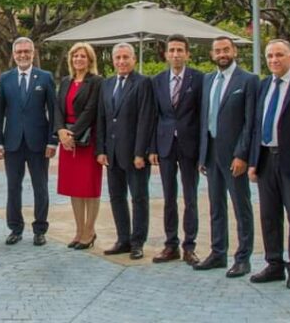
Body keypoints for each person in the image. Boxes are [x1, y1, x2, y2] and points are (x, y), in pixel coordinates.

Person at [248, 39, 290, 289]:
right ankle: (274, 264)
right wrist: (253, 160)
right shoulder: (264, 85)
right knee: (269, 216)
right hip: (265, 159)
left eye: (279, 55)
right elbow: (256, 125)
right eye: (270, 56)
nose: (274, 60)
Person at [195, 36, 258, 277]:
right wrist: (203, 155)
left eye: (226, 50)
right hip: (211, 153)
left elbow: (250, 122)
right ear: (212, 54)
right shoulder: (208, 80)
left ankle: (243, 258)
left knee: (241, 206)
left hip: (234, 156)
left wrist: (242, 154)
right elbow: (205, 119)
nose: (222, 54)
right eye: (218, 51)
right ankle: (218, 252)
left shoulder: (248, 80)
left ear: (234, 52)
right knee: (216, 206)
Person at [96, 43, 156, 260]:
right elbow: (102, 118)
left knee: (139, 198)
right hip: (112, 154)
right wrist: (101, 149)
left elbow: (146, 119)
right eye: (118, 58)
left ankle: (138, 242)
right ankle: (123, 239)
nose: (121, 61)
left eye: (125, 57)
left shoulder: (143, 83)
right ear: (113, 60)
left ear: (133, 59)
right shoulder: (107, 84)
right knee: (116, 197)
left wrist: (141, 152)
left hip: (134, 154)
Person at [0, 37, 57, 247]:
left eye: (26, 51)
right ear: (14, 55)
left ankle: (40, 229)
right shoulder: (5, 79)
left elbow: (54, 111)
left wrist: (52, 141)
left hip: (38, 143)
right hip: (12, 143)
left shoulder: (45, 77)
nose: (23, 55)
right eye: (19, 52)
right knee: (13, 187)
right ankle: (15, 228)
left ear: (33, 53)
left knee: (40, 187)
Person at [149, 34, 204, 265]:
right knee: (169, 197)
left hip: (190, 145)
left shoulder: (199, 79)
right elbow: (153, 115)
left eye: (180, 50)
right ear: (166, 54)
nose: (176, 54)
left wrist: (203, 152)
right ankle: (170, 244)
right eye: (172, 50)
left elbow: (202, 116)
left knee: (190, 197)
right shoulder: (157, 81)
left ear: (187, 54)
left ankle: (189, 246)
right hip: (165, 146)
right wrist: (152, 147)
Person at [53, 42, 103, 250]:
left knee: (89, 188)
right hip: (67, 141)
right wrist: (61, 131)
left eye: (83, 56)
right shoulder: (66, 81)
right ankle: (79, 230)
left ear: (90, 60)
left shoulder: (96, 81)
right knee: (74, 188)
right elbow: (57, 108)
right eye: (75, 56)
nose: (78, 59)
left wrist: (72, 134)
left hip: (87, 140)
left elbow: (91, 110)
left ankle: (89, 231)